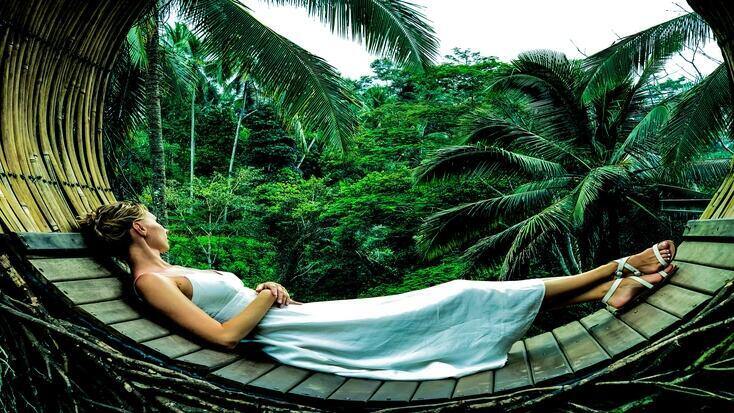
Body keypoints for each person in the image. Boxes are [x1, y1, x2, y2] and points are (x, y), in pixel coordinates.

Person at [77, 201, 677, 380]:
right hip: (294, 330)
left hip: (305, 316)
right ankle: (615, 268)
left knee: (457, 296)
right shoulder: (152, 281)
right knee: (461, 293)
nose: (162, 223)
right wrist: (264, 292)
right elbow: (228, 335)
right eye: (154, 217)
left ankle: (608, 293)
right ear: (137, 229)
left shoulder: (160, 271)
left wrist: (266, 296)